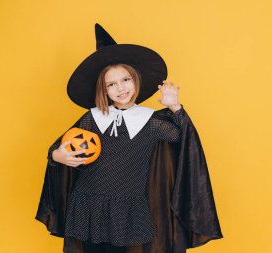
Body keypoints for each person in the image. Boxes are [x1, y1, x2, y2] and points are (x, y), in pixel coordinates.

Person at [35, 23, 223, 253]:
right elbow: (60, 146)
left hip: (129, 208)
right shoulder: (92, 118)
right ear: (103, 91)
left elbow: (182, 139)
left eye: (125, 80)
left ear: (136, 80)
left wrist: (175, 107)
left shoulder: (150, 121)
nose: (120, 88)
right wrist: (57, 154)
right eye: (111, 84)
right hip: (87, 204)